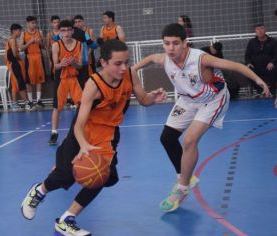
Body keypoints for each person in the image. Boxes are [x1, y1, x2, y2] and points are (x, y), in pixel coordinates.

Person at [20, 39, 167, 235]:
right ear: (104, 63)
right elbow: (79, 123)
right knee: (64, 176)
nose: (124, 67)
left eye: (126, 62)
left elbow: (142, 99)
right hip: (83, 133)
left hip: (108, 134)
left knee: (101, 176)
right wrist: (83, 146)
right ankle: (38, 192)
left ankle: (66, 220)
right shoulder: (94, 84)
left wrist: (152, 99)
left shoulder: (130, 75)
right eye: (118, 63)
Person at [133, 23, 270, 212]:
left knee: (189, 140)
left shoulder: (200, 59)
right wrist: (133, 68)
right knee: (167, 138)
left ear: (185, 43)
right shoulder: (164, 58)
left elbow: (235, 65)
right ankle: (187, 175)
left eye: (175, 43)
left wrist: (258, 80)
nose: (171, 48)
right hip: (187, 100)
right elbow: (149, 58)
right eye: (166, 44)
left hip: (213, 99)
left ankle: (181, 188)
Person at [48, 20, 83, 146]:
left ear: (72, 31)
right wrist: (61, 64)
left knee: (81, 105)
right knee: (57, 107)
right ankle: (54, 132)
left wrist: (74, 63)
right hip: (61, 79)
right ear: (59, 32)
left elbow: (80, 66)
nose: (66, 33)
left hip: (75, 78)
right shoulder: (56, 45)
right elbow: (55, 66)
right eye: (63, 30)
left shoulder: (79, 44)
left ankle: (80, 131)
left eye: (69, 30)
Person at [5, 23, 33, 111]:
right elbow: (14, 53)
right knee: (20, 83)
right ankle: (26, 103)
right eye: (19, 30)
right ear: (15, 31)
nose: (21, 32)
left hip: (13, 63)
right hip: (14, 63)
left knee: (16, 84)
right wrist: (18, 57)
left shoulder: (12, 40)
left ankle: (15, 103)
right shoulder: (12, 40)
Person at [245, 24, 277, 97]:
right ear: (255, 31)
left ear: (265, 30)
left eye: (261, 29)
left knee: (275, 69)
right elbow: (247, 56)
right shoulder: (251, 42)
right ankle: (260, 90)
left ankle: (271, 90)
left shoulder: (273, 41)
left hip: (269, 66)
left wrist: (272, 62)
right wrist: (249, 63)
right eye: (258, 29)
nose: (260, 31)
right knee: (248, 70)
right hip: (256, 66)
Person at [21, 16, 46, 108]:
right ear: (27, 23)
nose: (34, 25)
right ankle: (30, 101)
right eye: (32, 23)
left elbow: (44, 46)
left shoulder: (40, 32)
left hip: (39, 57)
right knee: (28, 80)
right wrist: (29, 42)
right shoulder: (23, 34)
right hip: (29, 57)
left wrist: (40, 43)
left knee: (40, 79)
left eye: (35, 23)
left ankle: (38, 100)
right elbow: (21, 48)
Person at [46, 15, 61, 80]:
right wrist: (49, 60)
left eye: (58, 22)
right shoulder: (49, 34)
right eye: (55, 23)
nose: (56, 24)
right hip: (53, 56)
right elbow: (47, 47)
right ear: (51, 24)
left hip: (62, 54)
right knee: (54, 73)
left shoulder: (63, 32)